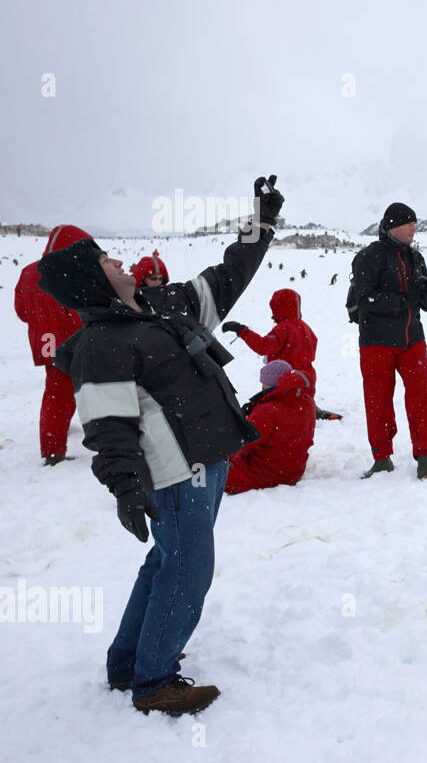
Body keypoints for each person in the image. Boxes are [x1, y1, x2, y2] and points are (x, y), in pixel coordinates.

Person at [37, 174, 283, 716]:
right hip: (176, 474)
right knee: (188, 567)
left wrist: (260, 224)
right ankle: (154, 682)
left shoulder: (161, 303)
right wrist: (126, 487)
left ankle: (128, 663)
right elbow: (107, 428)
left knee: (167, 561)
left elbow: (227, 276)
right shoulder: (103, 344)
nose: (120, 263)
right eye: (105, 261)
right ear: (90, 281)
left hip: (210, 459)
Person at [348, 202, 427, 479]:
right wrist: (408, 298)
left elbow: (425, 303)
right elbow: (366, 299)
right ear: (392, 226)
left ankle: (426, 457)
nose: (413, 228)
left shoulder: (415, 257)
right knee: (378, 401)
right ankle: (382, 458)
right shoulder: (369, 256)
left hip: (412, 339)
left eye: (415, 223)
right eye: (407, 224)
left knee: (421, 397)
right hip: (376, 343)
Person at [13, 225, 94, 465]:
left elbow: (21, 311)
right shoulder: (73, 271)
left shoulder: (29, 272)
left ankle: (58, 430)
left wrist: (43, 324)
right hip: (72, 344)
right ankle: (53, 451)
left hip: (47, 344)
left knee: (60, 392)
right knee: (62, 394)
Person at [221, 288, 342, 420]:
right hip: (305, 378)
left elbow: (263, 346)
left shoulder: (283, 328)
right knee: (301, 403)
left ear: (279, 307)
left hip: (285, 379)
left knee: (279, 407)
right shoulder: (305, 328)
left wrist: (241, 330)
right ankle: (313, 411)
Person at [224, 360, 316, 494]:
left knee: (209, 473)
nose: (262, 388)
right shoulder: (307, 401)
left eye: (265, 385)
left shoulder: (268, 410)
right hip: (294, 470)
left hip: (265, 475)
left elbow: (242, 444)